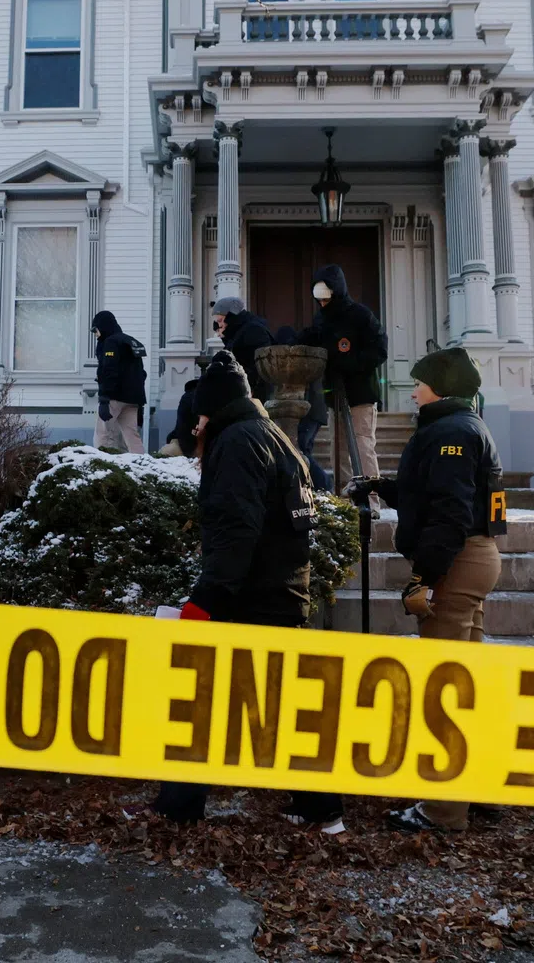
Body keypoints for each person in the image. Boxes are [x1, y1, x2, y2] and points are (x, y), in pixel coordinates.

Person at [151, 351, 344, 833]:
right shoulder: (273, 436)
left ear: (210, 412)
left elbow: (235, 531)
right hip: (281, 593)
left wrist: (206, 600)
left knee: (198, 700)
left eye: (197, 418)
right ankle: (321, 808)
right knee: (282, 707)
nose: (195, 429)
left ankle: (179, 807)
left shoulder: (236, 443)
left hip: (249, 597)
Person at [348, 347, 506, 834]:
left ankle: (442, 811)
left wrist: (426, 576)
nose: (412, 390)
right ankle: (479, 789)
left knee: (444, 690)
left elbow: (451, 511)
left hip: (457, 564)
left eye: (419, 383)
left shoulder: (451, 432)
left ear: (441, 386)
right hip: (474, 558)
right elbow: (433, 492)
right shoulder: (462, 425)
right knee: (465, 684)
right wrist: (382, 486)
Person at [296, 264, 387, 491]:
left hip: (360, 393)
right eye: (320, 300)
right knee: (338, 449)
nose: (323, 304)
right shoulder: (321, 319)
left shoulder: (361, 315)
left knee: (363, 445)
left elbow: (379, 350)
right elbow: (313, 338)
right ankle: (344, 496)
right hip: (334, 393)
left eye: (326, 299)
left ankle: (371, 499)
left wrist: (349, 363)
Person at [276, 325, 329, 490]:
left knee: (300, 451)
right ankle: (312, 487)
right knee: (303, 450)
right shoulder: (308, 358)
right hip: (315, 413)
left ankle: (324, 484)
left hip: (309, 413)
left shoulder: (300, 361)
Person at [92, 310, 147, 454]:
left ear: (103, 326)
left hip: (114, 397)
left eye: (95, 330)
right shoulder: (131, 341)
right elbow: (141, 374)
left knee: (103, 434)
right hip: (133, 399)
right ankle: (140, 463)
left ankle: (100, 463)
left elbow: (108, 371)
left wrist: (104, 398)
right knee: (131, 436)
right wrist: (140, 402)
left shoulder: (110, 343)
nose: (95, 334)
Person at [211, 297, 274, 403]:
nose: (220, 325)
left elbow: (257, 366)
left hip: (253, 395)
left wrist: (248, 390)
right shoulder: (238, 332)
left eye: (220, 321)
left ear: (231, 316)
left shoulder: (253, 330)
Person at [159, 378, 200, 458]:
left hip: (181, 441)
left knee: (165, 452)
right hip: (194, 443)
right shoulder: (199, 397)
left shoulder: (186, 397)